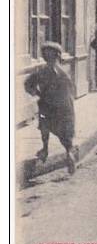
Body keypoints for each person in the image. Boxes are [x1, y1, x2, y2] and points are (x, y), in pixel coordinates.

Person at [24, 42, 76, 174]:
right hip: (64, 106)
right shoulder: (64, 72)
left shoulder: (41, 72)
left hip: (46, 105)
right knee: (65, 132)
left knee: (45, 127)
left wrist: (37, 93)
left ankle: (45, 149)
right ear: (59, 56)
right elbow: (71, 88)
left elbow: (28, 84)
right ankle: (69, 151)